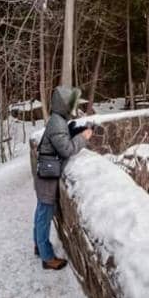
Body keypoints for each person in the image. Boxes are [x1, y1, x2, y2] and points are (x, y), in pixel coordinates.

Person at [33, 86, 93, 270]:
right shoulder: (57, 123)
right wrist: (83, 137)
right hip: (47, 175)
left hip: (46, 171)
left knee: (41, 212)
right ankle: (47, 257)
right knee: (44, 214)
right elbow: (66, 149)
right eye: (71, 104)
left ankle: (38, 246)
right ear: (64, 105)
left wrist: (73, 131)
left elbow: (60, 139)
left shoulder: (58, 120)